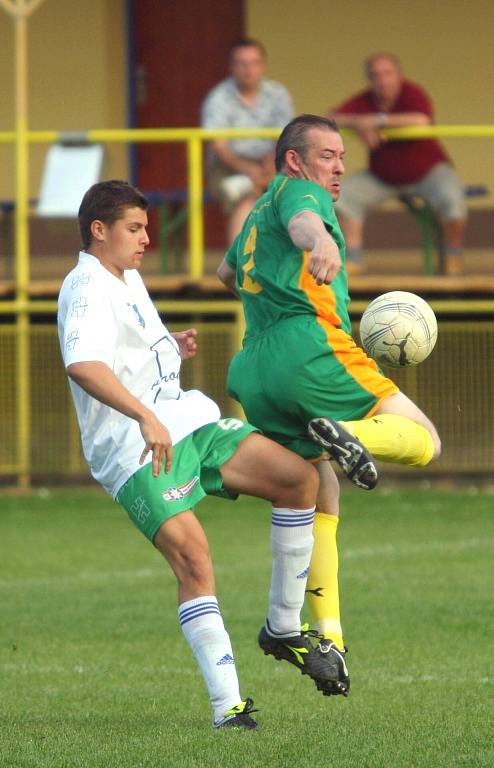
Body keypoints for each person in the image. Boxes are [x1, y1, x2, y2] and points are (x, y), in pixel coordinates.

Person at [56, 179, 358, 730]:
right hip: (135, 448)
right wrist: (145, 415)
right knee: (195, 559)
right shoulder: (85, 287)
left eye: (146, 228)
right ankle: (229, 708)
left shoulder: (125, 276)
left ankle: (284, 627)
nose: (147, 238)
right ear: (98, 231)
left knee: (298, 480)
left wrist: (168, 348)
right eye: (135, 229)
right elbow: (85, 364)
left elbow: (124, 355)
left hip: (186, 421)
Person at [217, 114, 442, 695]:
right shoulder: (298, 195)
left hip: (255, 368)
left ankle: (329, 639)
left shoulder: (253, 217)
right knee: (424, 440)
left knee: (320, 489)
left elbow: (226, 272)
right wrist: (319, 240)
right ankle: (350, 432)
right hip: (306, 346)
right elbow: (304, 220)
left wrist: (276, 277)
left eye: (342, 157)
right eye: (327, 155)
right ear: (294, 160)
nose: (338, 167)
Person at [329, 53, 466, 276]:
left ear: (399, 75)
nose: (382, 80)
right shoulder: (365, 100)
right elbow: (331, 119)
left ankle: (453, 255)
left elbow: (421, 121)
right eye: (375, 75)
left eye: (387, 73)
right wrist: (360, 124)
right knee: (341, 196)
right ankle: (353, 259)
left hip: (428, 171)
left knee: (452, 198)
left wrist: (377, 121)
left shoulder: (413, 93)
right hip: (382, 176)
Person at [201, 38, 293, 243]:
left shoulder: (278, 94)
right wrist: (250, 171)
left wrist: (270, 165)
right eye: (242, 63)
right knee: (249, 196)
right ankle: (239, 264)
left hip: (274, 163)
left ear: (263, 65)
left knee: (295, 193)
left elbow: (285, 137)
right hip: (227, 167)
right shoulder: (218, 98)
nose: (248, 69)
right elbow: (220, 147)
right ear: (232, 67)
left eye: (254, 63)